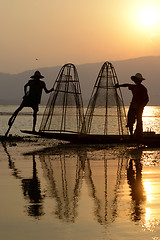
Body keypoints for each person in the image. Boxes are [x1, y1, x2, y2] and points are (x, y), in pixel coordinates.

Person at [6, 70, 54, 135]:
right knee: (19, 108)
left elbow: (46, 91)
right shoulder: (31, 82)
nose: (37, 78)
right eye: (36, 77)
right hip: (28, 98)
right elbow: (25, 86)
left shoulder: (42, 83)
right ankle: (11, 118)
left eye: (38, 77)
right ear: (34, 77)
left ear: (39, 77)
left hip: (35, 101)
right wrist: (25, 94)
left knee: (35, 114)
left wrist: (51, 90)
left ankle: (33, 129)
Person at [115, 73, 149, 139]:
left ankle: (138, 135)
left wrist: (141, 106)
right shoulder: (134, 87)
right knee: (130, 120)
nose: (136, 81)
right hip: (133, 105)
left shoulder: (143, 88)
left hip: (139, 106)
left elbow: (146, 99)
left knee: (138, 121)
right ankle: (132, 135)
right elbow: (127, 84)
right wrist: (119, 86)